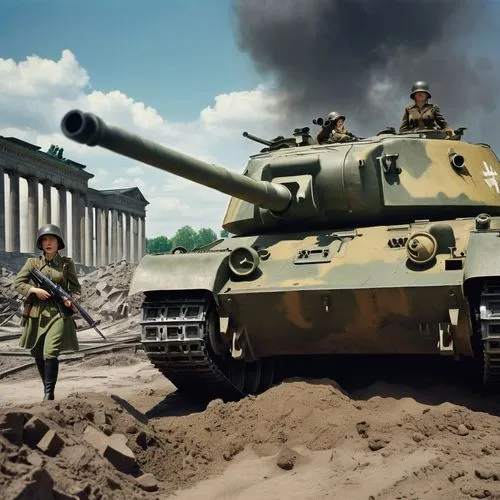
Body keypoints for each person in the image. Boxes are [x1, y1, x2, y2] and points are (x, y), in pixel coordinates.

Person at [14, 224, 81, 401]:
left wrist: (69, 299)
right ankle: (48, 391)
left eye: (52, 239)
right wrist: (34, 290)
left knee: (50, 352)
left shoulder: (67, 264)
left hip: (58, 313)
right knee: (37, 354)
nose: (48, 243)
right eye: (44, 239)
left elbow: (76, 288)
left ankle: (48, 394)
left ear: (59, 243)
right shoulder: (32, 263)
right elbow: (18, 283)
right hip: (36, 314)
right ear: (40, 244)